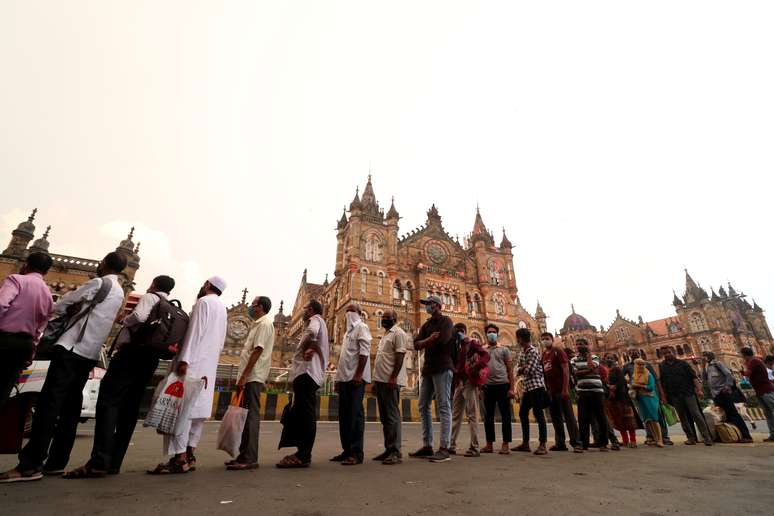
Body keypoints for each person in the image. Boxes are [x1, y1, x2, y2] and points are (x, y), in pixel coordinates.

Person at [1, 252, 127, 483]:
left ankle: (30, 464)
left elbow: (62, 304)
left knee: (49, 404)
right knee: (70, 408)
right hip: (89, 354)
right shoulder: (119, 292)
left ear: (105, 264)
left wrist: (57, 308)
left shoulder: (99, 282)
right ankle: (57, 462)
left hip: (72, 349)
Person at [63, 275, 179, 479]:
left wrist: (124, 320)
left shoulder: (150, 298)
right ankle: (114, 462)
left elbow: (140, 317)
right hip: (150, 360)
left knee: (108, 402)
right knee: (130, 409)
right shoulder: (170, 306)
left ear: (153, 284)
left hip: (131, 355)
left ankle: (98, 461)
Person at [148, 276, 228, 474]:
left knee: (181, 412)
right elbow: (220, 342)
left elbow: (195, 332)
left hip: (192, 364)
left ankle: (179, 459)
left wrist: (184, 359)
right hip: (208, 367)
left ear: (208, 285)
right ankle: (190, 456)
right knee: (196, 415)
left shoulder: (203, 302)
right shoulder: (222, 309)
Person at [277, 299, 329, 468]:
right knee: (302, 412)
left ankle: (304, 455)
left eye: (305, 309)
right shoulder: (320, 322)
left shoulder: (315, 320)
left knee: (306, 413)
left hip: (307, 373)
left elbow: (313, 334)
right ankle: (301, 452)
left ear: (311, 309)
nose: (303, 312)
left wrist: (311, 347)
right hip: (307, 374)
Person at [0, 252, 54, 408]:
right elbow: (39, 330)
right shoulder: (48, 295)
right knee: (4, 390)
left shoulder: (16, 280)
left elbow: (1, 303)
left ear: (26, 264)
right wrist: (30, 354)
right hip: (24, 346)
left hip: (4, 340)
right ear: (46, 271)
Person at [226, 296, 274, 470]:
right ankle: (244, 454)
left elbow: (258, 350)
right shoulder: (258, 324)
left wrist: (245, 375)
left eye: (253, 305)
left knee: (251, 416)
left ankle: (250, 457)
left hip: (253, 377)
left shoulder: (264, 324)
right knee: (245, 416)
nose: (251, 308)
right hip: (249, 376)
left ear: (260, 307)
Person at [409, 295, 454, 463]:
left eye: (428, 304)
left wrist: (425, 342)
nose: (426, 306)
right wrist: (429, 339)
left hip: (442, 366)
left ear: (436, 305)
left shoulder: (446, 321)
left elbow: (443, 340)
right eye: (425, 304)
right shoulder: (427, 325)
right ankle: (427, 445)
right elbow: (415, 344)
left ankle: (444, 448)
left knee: (443, 405)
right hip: (428, 369)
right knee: (423, 405)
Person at [331, 303, 371, 466]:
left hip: (356, 379)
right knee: (344, 416)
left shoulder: (362, 327)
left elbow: (364, 352)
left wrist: (359, 374)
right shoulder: (347, 333)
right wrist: (338, 380)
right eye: (346, 310)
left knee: (355, 415)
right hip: (345, 379)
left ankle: (356, 452)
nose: (348, 313)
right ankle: (347, 450)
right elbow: (344, 359)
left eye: (351, 310)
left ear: (359, 313)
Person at [372, 309, 407, 465]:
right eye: (383, 317)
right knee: (385, 417)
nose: (384, 319)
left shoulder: (398, 333)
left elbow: (400, 356)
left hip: (390, 380)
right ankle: (388, 449)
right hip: (381, 380)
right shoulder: (386, 334)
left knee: (392, 417)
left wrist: (393, 377)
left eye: (388, 318)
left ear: (394, 319)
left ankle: (395, 452)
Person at [659, 347, 713, 446]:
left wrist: (699, 389)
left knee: (696, 414)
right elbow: (661, 382)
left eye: (669, 352)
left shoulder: (683, 364)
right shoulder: (662, 366)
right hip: (674, 395)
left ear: (673, 353)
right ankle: (690, 438)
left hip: (688, 393)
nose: (667, 355)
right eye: (665, 353)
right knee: (683, 417)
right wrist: (663, 396)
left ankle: (707, 437)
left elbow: (693, 377)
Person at [449, 329, 489, 457]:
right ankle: (451, 445)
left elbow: (486, 356)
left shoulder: (471, 343)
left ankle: (474, 447)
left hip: (470, 381)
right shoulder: (457, 346)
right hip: (459, 382)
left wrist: (476, 366)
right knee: (455, 414)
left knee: (472, 414)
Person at [623, 350, 673, 445]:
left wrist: (662, 395)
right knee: (646, 417)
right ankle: (651, 437)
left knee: (658, 416)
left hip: (652, 394)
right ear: (629, 355)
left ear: (640, 354)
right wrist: (630, 385)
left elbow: (656, 380)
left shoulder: (647, 365)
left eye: (636, 352)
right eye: (632, 352)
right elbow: (622, 378)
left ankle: (664, 437)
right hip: (640, 396)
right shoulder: (627, 366)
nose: (634, 353)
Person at [701, 351, 753, 443]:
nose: (703, 358)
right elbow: (704, 378)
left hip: (723, 393)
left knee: (733, 414)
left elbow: (728, 374)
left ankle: (747, 436)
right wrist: (702, 366)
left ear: (709, 357)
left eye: (704, 356)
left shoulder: (718, 364)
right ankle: (731, 435)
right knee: (722, 416)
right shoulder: (708, 367)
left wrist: (727, 387)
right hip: (715, 395)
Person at [541, 332, 579, 451]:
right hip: (551, 391)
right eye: (543, 339)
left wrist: (565, 388)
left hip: (562, 389)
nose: (545, 341)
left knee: (569, 417)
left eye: (547, 339)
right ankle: (560, 443)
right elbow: (545, 373)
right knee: (556, 417)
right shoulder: (544, 355)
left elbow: (565, 369)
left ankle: (577, 443)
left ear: (552, 339)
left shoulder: (558, 351)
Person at [513, 328, 548, 455]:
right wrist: (522, 368)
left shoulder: (533, 351)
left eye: (518, 338)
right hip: (527, 387)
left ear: (521, 339)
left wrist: (522, 368)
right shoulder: (523, 352)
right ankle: (525, 443)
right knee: (523, 413)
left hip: (536, 387)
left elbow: (530, 370)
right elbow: (518, 369)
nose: (517, 340)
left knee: (539, 414)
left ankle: (543, 444)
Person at [482, 324, 515, 455]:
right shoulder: (483, 350)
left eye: (494, 332)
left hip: (503, 385)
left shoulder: (504, 350)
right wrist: (480, 387)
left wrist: (512, 388)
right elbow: (481, 369)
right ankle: (489, 444)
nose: (491, 334)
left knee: (505, 416)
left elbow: (510, 369)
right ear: (486, 334)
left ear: (497, 334)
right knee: (488, 416)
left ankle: (505, 444)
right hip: (488, 386)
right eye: (489, 332)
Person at [571, 339, 609, 452]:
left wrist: (588, 357)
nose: (579, 346)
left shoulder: (595, 357)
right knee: (583, 418)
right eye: (577, 344)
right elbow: (574, 373)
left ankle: (603, 443)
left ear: (587, 345)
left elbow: (593, 367)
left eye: (582, 344)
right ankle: (584, 443)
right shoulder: (573, 360)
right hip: (582, 391)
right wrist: (588, 370)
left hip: (597, 391)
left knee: (601, 417)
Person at [603, 356, 643, 448]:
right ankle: (625, 441)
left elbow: (622, 381)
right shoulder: (608, 372)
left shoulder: (616, 370)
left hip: (622, 398)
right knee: (619, 420)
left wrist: (614, 387)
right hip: (613, 399)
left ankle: (633, 440)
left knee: (629, 420)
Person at [741, 347, 774, 442]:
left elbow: (747, 373)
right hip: (760, 391)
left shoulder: (754, 361)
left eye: (743, 355)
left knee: (771, 411)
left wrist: (742, 371)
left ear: (745, 355)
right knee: (768, 414)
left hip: (766, 390)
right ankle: (773, 434)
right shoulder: (754, 361)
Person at [631, 358, 663, 447]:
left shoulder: (648, 374)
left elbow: (651, 387)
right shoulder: (634, 375)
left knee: (654, 419)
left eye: (642, 364)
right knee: (647, 420)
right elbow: (632, 385)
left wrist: (638, 385)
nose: (640, 366)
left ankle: (660, 439)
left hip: (650, 398)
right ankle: (655, 439)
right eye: (638, 364)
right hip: (640, 399)